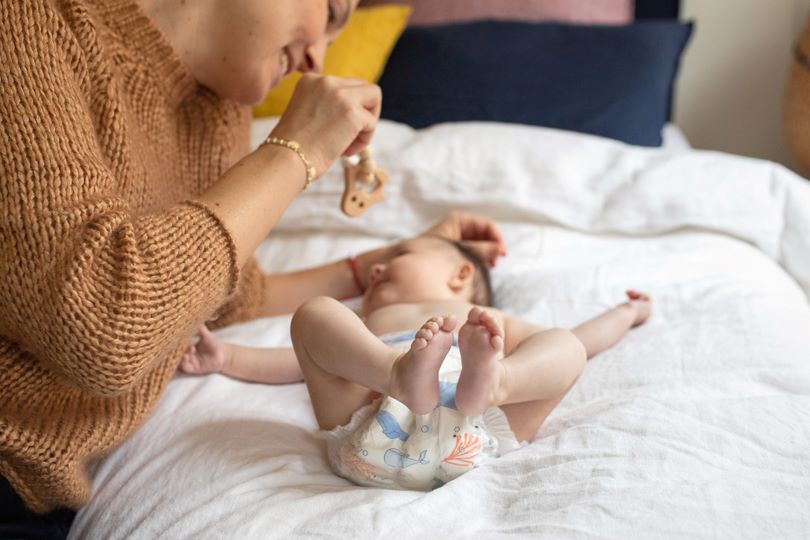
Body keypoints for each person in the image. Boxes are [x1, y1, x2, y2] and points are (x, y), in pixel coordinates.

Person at [0, 0, 505, 536]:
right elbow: (103, 329)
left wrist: (383, 264)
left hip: (45, 497)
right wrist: (295, 150)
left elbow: (221, 296)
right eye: (331, 12)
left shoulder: (217, 108)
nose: (316, 59)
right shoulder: (27, 23)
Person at [181, 236, 652, 489]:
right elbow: (296, 361)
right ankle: (398, 372)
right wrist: (227, 356)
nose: (377, 269)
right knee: (316, 315)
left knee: (563, 344)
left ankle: (498, 382)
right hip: (370, 412)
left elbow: (578, 346)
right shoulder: (367, 322)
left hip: (476, 422)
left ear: (460, 275)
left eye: (400, 254)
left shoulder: (484, 323)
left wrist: (625, 313)